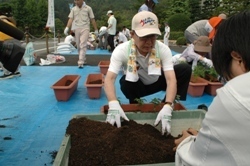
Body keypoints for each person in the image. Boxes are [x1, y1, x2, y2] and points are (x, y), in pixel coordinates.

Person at [174, 11, 250, 165]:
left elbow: (196, 161)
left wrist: (188, 143)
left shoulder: (234, 95)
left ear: (237, 57)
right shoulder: (189, 51)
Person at [104, 11, 191, 135]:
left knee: (184, 69)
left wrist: (168, 105)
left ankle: (167, 105)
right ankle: (135, 106)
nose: (149, 42)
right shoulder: (122, 51)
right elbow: (109, 79)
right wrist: (113, 103)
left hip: (157, 81)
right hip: (137, 85)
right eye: (144, 37)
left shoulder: (162, 49)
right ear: (132, 34)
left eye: (153, 36)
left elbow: (171, 79)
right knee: (125, 82)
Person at [64, 0, 98, 68]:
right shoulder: (74, 9)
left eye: (77, 0)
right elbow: (70, 19)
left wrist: (96, 29)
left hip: (85, 28)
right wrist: (67, 27)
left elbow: (92, 19)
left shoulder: (88, 8)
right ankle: (83, 58)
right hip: (76, 28)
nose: (76, 2)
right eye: (75, 1)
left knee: (83, 44)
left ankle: (80, 62)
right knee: (79, 46)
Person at [0, 15, 22, 79]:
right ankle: (16, 71)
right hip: (16, 40)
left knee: (3, 57)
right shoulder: (9, 22)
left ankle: (7, 73)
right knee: (14, 56)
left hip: (6, 41)